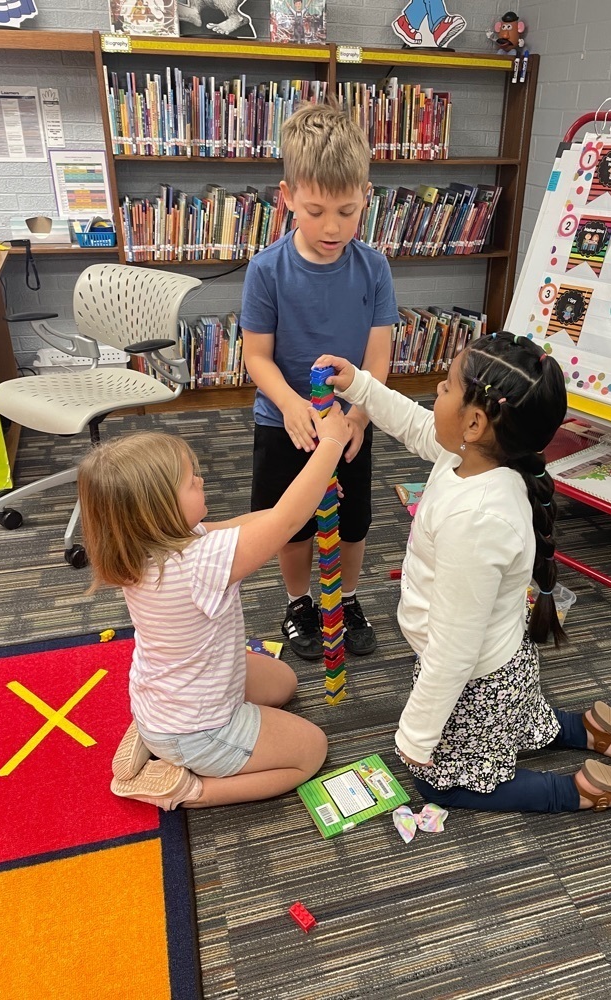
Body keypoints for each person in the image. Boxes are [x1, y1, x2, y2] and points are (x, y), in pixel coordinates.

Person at [315, 333, 611, 814]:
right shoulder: (476, 457)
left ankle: (578, 791)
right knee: (517, 720)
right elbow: (416, 424)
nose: (436, 391)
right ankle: (584, 729)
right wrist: (359, 384)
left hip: (476, 678)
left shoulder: (476, 520)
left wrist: (416, 735)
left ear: (475, 422)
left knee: (441, 785)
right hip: (503, 658)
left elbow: (454, 648)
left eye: (445, 386)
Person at [77, 414, 350, 811]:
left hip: (165, 699)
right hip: (199, 727)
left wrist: (308, 506)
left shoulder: (150, 545)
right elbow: (284, 521)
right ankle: (185, 789)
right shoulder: (198, 562)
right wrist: (332, 444)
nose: (201, 480)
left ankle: (154, 736)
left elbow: (250, 525)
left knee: (283, 684)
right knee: (311, 751)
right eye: (191, 481)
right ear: (159, 509)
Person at [241, 102, 400, 662]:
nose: (332, 227)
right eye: (315, 211)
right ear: (286, 197)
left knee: (353, 521)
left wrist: (358, 416)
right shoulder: (266, 269)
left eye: (347, 211)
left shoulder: (374, 268)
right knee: (291, 522)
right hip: (286, 419)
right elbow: (256, 356)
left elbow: (378, 356)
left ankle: (348, 598)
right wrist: (290, 405)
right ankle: (298, 602)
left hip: (350, 420)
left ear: (366, 198)